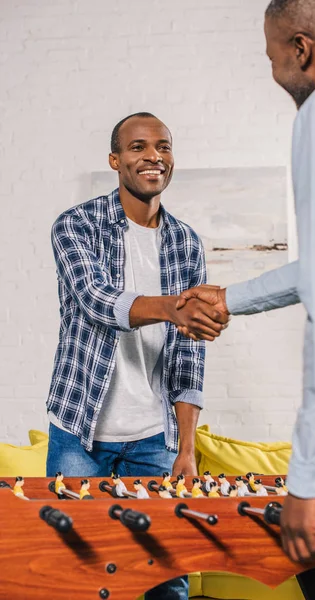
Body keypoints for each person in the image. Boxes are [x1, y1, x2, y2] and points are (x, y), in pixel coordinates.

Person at [177, 1, 315, 597]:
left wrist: (305, 481)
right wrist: (231, 296)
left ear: (300, 49)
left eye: (273, 57)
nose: (275, 72)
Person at [46, 111, 228, 600]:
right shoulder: (76, 226)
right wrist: (175, 308)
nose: (154, 156)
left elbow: (190, 353)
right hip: (79, 435)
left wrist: (186, 446)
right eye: (139, 147)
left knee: (166, 581)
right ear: (115, 160)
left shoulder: (185, 242)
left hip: (155, 440)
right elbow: (97, 300)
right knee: (76, 579)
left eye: (163, 147)